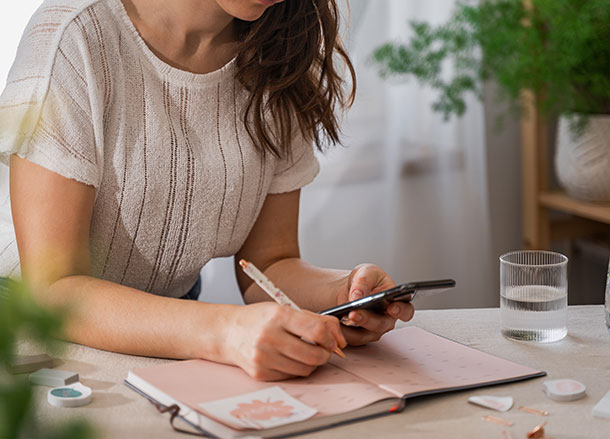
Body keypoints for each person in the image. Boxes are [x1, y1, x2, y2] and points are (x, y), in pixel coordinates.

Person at [0, 0, 414, 381]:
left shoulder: (281, 53)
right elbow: (53, 290)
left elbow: (269, 263)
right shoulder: (74, 38)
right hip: (27, 341)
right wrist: (223, 330)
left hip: (162, 344)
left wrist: (342, 296)